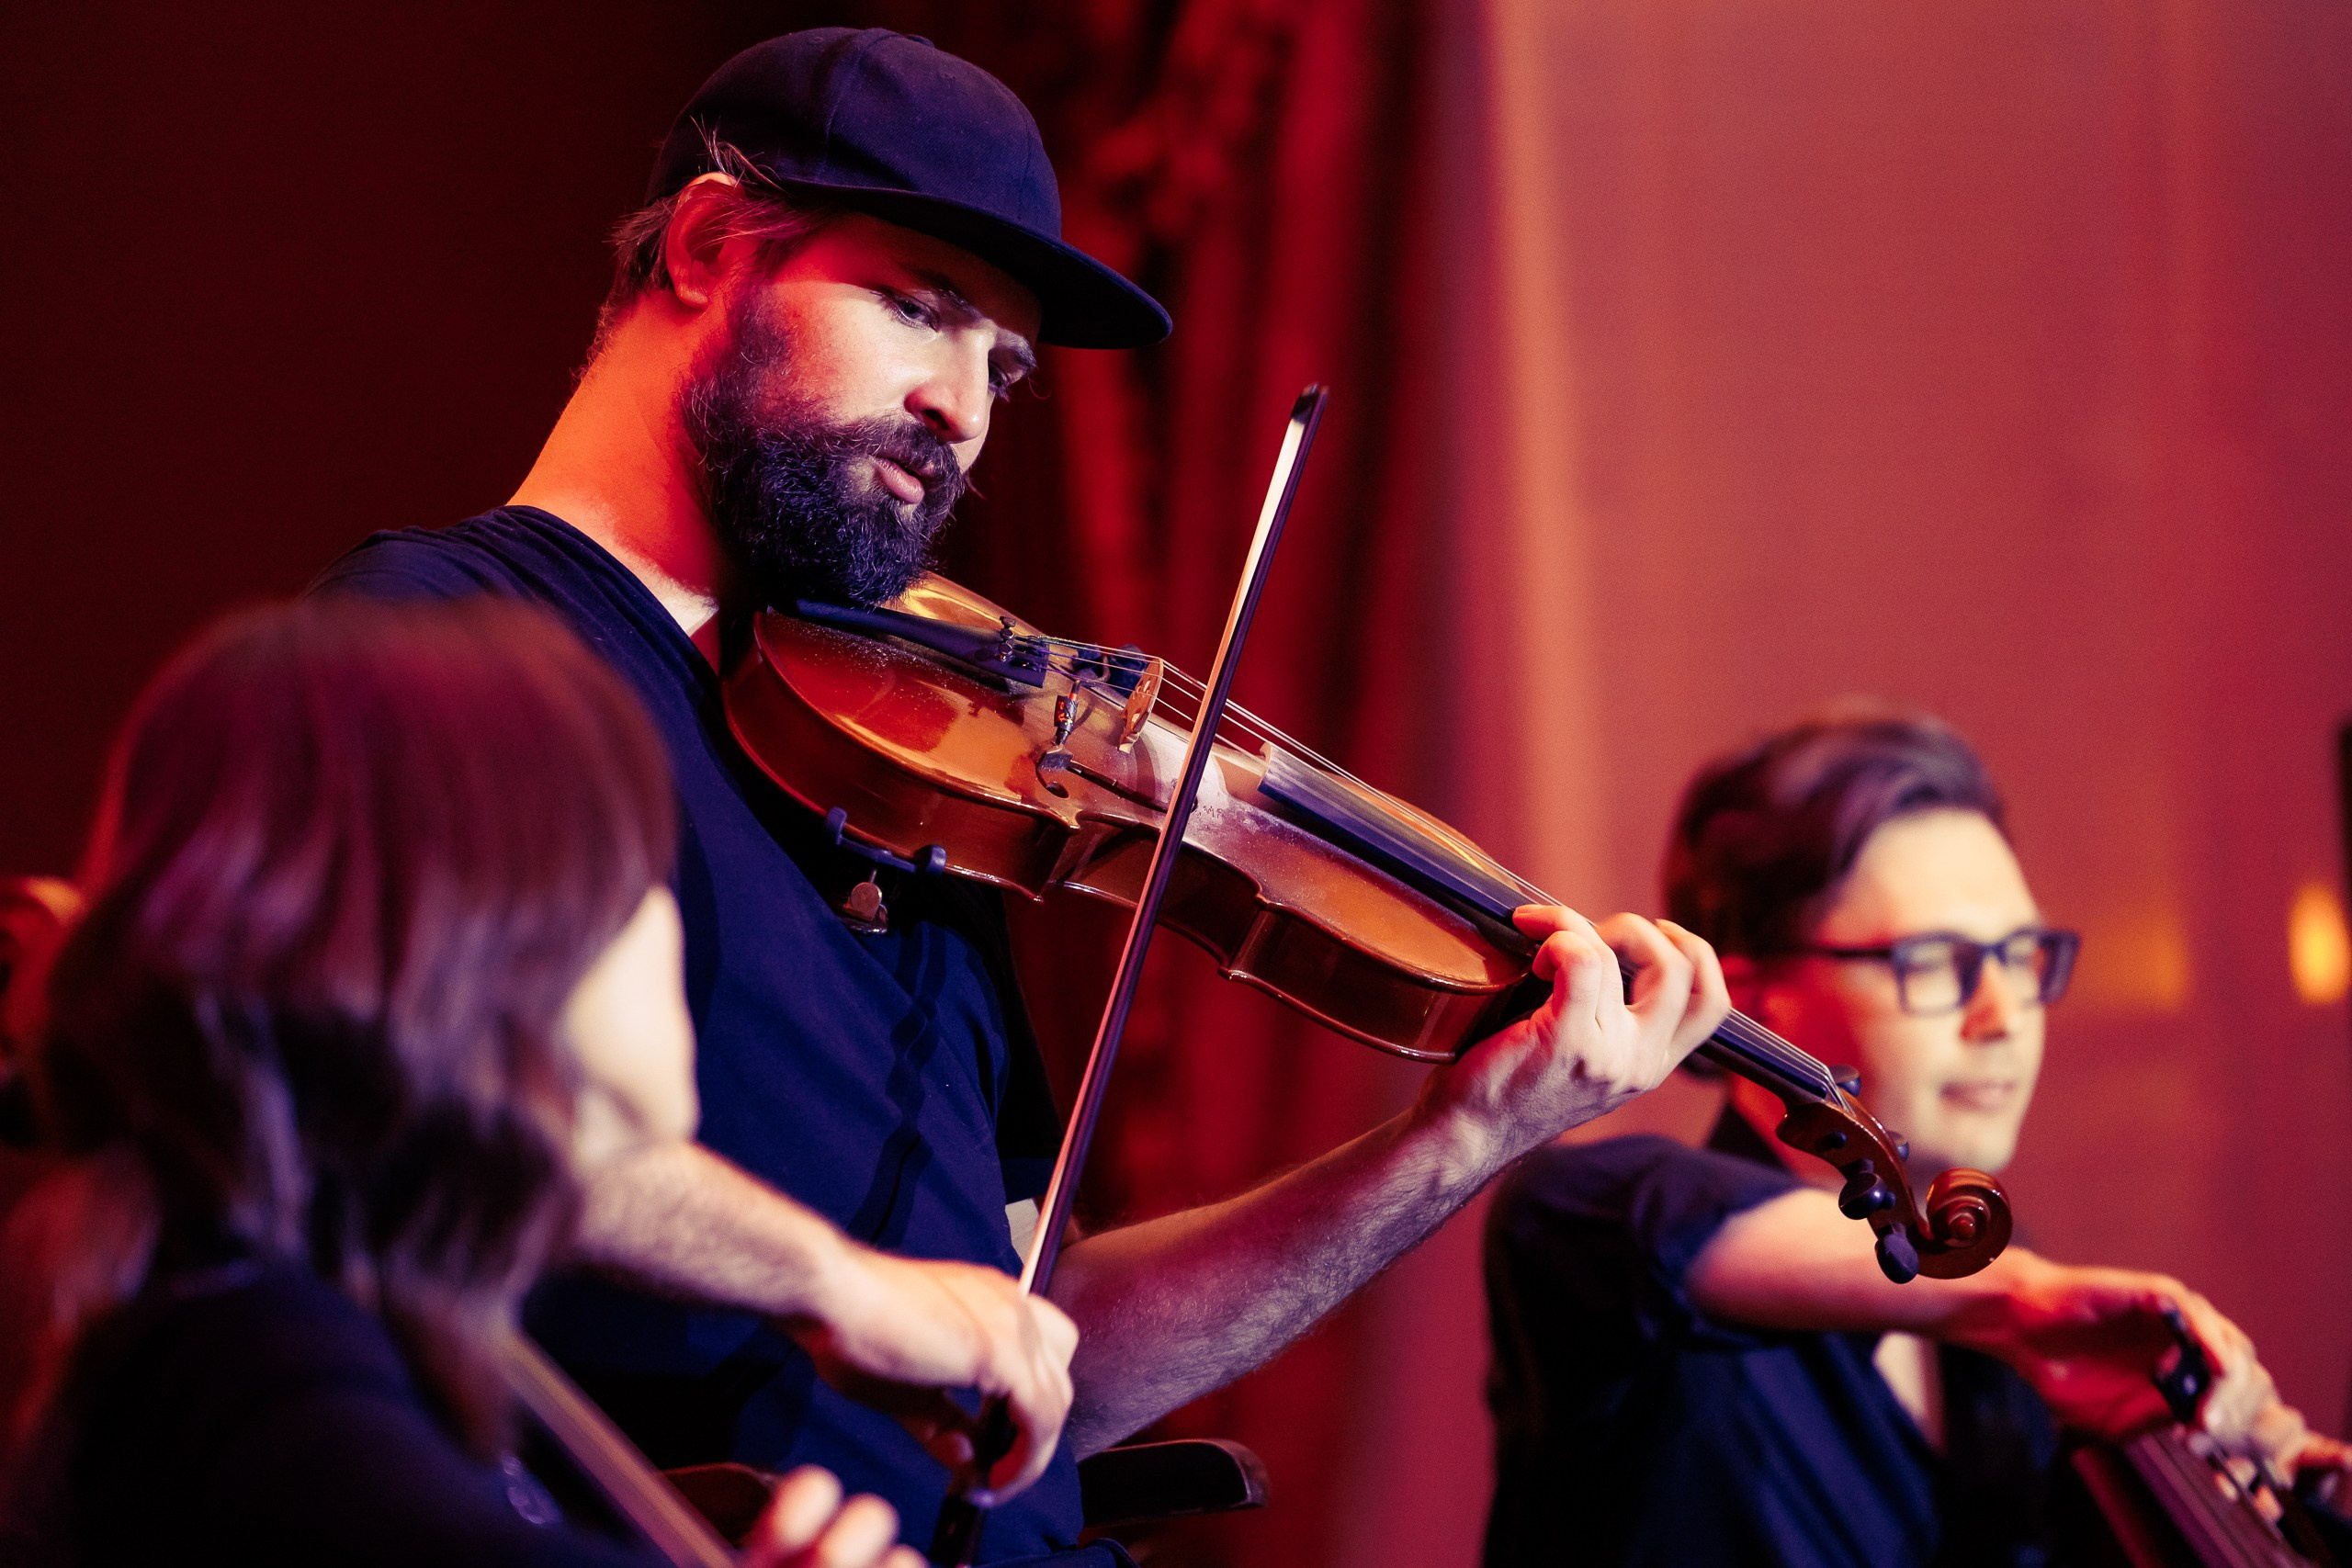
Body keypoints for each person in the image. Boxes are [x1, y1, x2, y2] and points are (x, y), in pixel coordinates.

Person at [311, 28, 1730, 1562]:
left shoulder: (905, 754)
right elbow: (416, 1110)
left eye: (1001, 366)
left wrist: (1457, 1139)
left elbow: (1034, 1342)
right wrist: (841, 1286)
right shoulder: (445, 645)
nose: (963, 409)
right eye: (918, 309)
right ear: (713, 248)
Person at [0, 598, 923, 1567]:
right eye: (636, 878)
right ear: (497, 942)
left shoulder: (288, 1346)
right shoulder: (267, 1382)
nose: (672, 925)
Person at [1482, 709, 2349, 1568]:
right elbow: (1625, 1214)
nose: (2004, 1015)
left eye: (2019, 954)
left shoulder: (2004, 1329)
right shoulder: (1597, 1237)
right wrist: (2017, 1303)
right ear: (1750, 999)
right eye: (1934, 960)